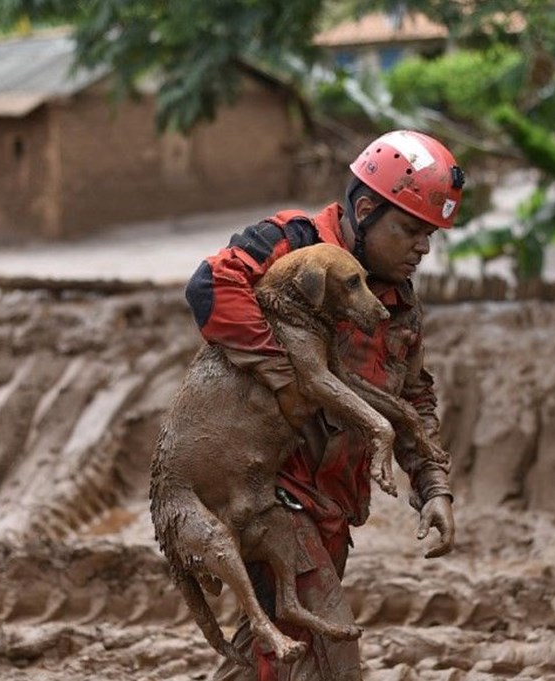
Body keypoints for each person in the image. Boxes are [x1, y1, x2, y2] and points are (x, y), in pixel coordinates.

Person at [184, 130, 463, 680]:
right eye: (409, 229)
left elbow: (412, 396)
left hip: (333, 504)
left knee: (275, 654)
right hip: (269, 493)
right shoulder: (290, 244)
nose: (422, 248)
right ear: (364, 209)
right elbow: (208, 287)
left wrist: (432, 486)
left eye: (430, 235)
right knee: (329, 656)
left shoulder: (397, 305)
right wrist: (289, 379)